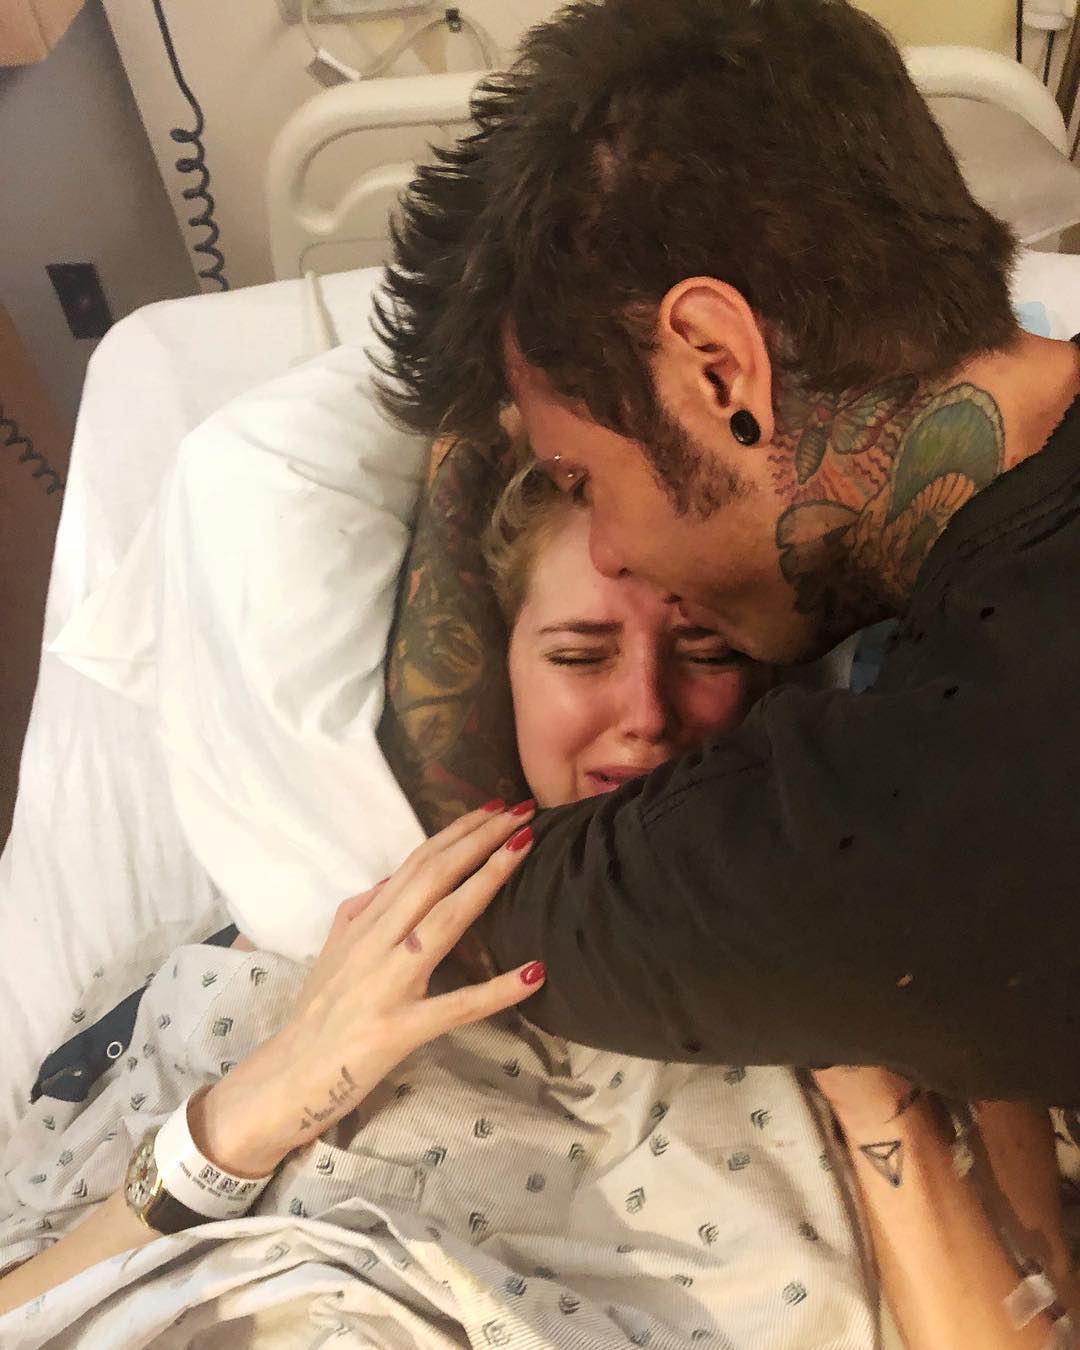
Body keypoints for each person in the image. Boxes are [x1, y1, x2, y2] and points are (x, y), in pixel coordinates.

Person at [374, 0, 1080, 1103]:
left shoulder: (948, 811)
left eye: (580, 479)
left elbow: (492, 921)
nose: (611, 552)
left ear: (716, 368)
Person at [0, 471, 880, 1347]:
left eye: (710, 653)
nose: (647, 713)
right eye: (579, 656)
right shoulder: (256, 967)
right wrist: (246, 1118)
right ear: (497, 677)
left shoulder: (840, 980)